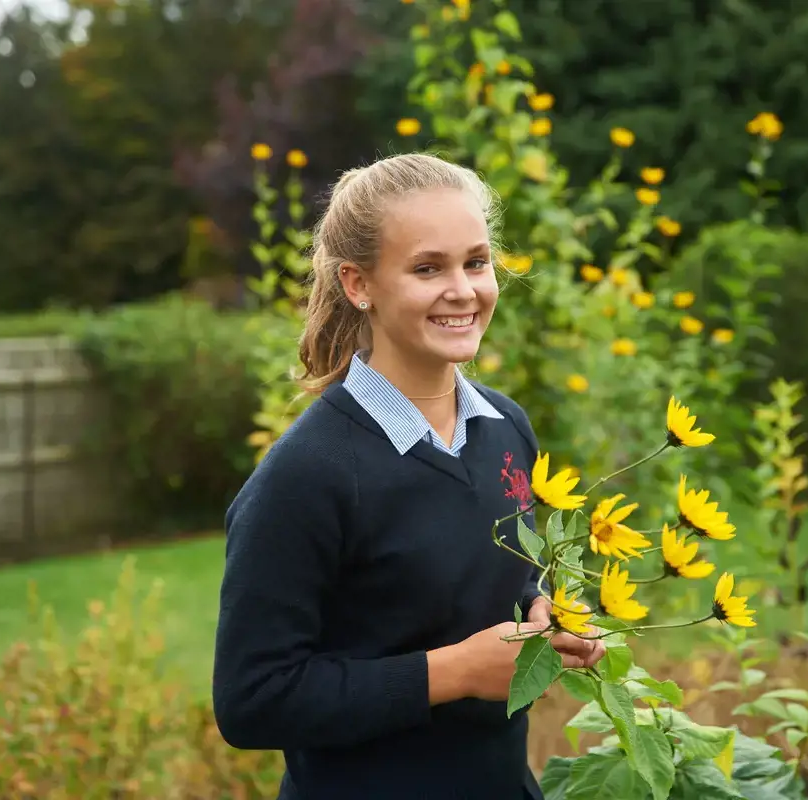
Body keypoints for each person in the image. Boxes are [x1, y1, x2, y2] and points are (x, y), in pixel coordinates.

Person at [212, 152, 605, 800]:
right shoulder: (308, 475)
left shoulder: (507, 428)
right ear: (358, 284)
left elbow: (500, 574)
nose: (463, 289)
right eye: (428, 268)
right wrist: (454, 672)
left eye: (476, 262)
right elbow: (253, 700)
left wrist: (545, 613)